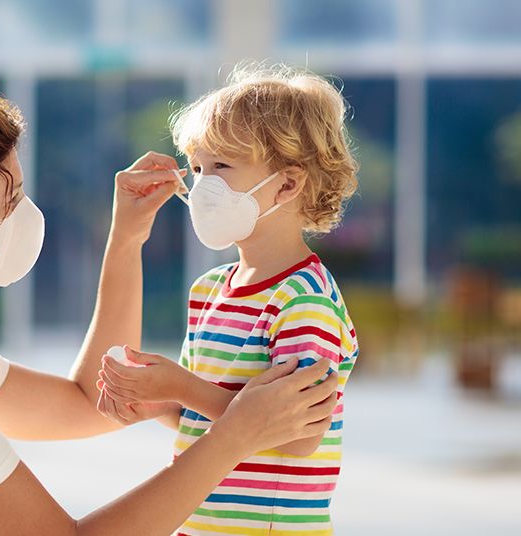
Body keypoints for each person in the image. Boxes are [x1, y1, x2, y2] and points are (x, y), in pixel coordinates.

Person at [0, 82, 338, 535]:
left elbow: (87, 403)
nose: (30, 214)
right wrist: (234, 436)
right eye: (12, 200)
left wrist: (126, 240)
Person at [97, 63, 360, 535]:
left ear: (287, 184)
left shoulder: (305, 302)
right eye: (196, 169)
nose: (202, 187)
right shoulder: (209, 290)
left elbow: (301, 435)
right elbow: (200, 418)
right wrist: (151, 402)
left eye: (221, 167)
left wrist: (180, 386)